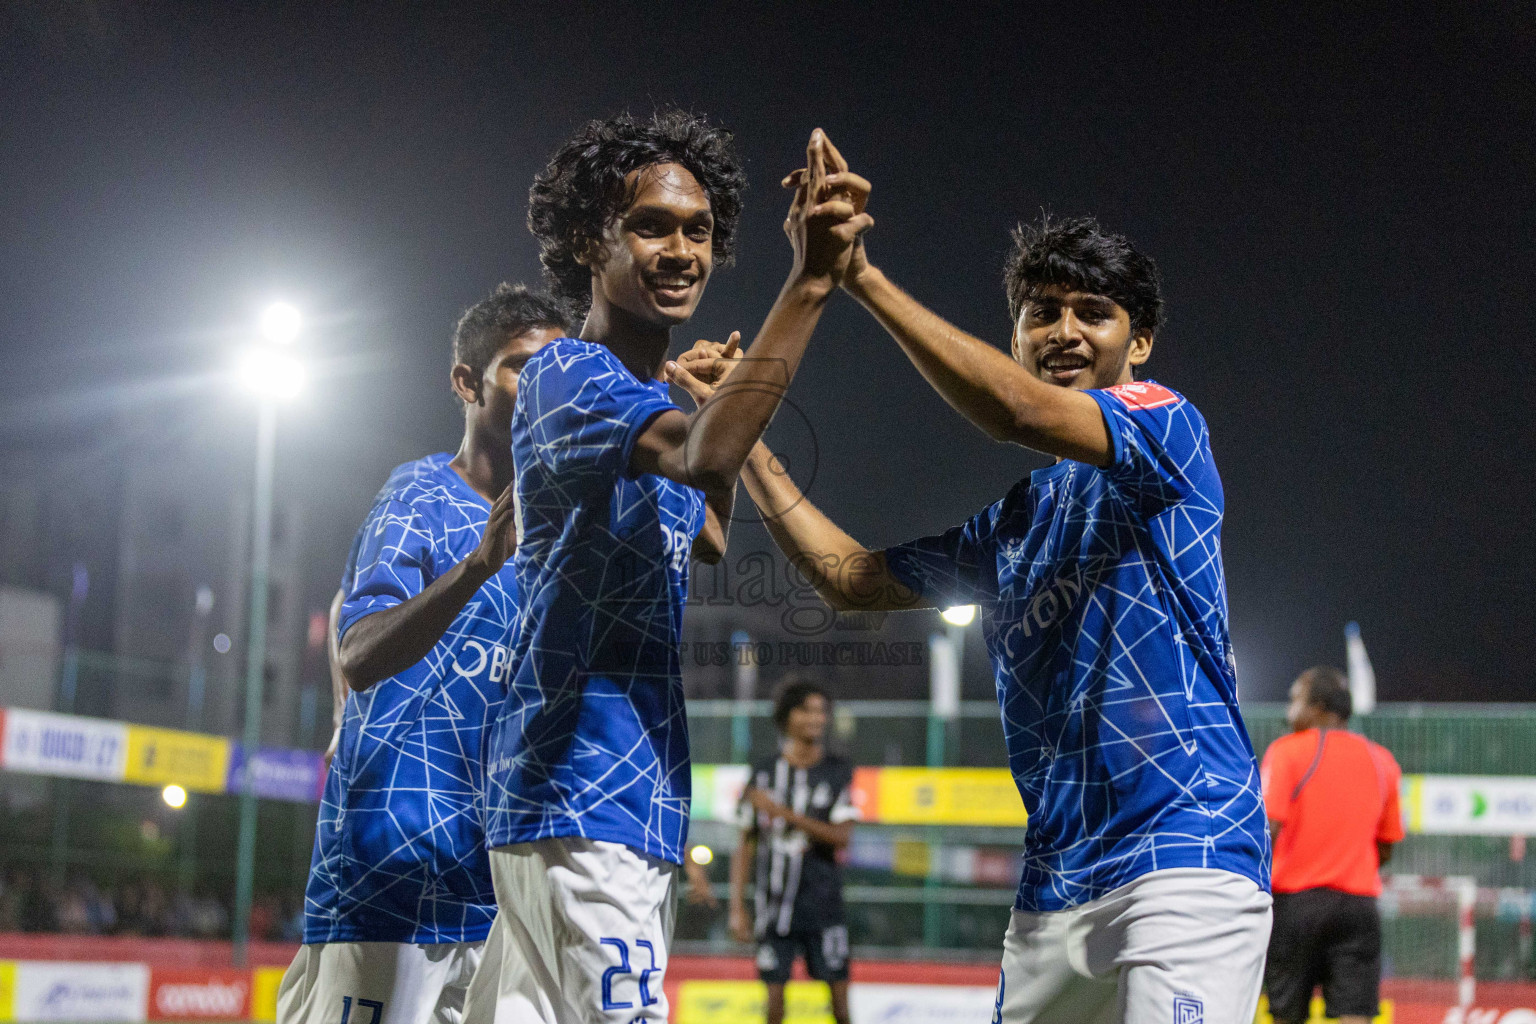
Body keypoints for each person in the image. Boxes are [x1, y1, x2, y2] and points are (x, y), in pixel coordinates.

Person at [689, 198, 1272, 1022]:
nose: (1063, 331)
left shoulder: (1169, 427)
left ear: (1138, 344)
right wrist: (745, 444)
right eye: (1042, 314)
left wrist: (860, 277)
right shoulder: (1016, 521)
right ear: (1015, 338)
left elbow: (1017, 412)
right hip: (1055, 884)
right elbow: (853, 581)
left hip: (1186, 854)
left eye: (1093, 314)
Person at [474, 111, 870, 1024]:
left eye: (698, 230)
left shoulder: (647, 399)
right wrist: (810, 280)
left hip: (611, 801)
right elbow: (698, 458)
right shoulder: (568, 374)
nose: (682, 248)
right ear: (589, 240)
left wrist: (711, 403)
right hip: (583, 791)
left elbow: (708, 532)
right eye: (651, 224)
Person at [276, 285, 567, 1024]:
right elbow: (359, 652)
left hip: (497, 886)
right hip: (390, 878)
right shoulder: (418, 495)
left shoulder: (561, 534)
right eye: (519, 367)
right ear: (466, 382)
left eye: (558, 370)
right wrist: (474, 566)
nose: (542, 388)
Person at [1261, 666, 1403, 1024]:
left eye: (1295, 701)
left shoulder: (1287, 752)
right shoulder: (1382, 760)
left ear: (1318, 707)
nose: (1288, 712)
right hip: (1358, 906)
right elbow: (1386, 847)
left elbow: (1266, 831)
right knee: (1355, 1014)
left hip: (1295, 905)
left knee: (1285, 1014)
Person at [730, 679, 857, 1024]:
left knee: (841, 1008)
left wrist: (782, 813)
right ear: (787, 717)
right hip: (774, 910)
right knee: (773, 1007)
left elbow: (841, 837)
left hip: (824, 906)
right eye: (807, 710)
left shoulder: (837, 771)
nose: (816, 718)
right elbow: (745, 842)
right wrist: (737, 907)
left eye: (821, 711)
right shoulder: (764, 772)